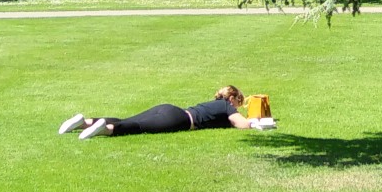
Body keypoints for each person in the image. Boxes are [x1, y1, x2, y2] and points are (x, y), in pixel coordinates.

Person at [58, 85, 275, 140]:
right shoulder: (226, 107)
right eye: (238, 102)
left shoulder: (212, 104)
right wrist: (256, 121)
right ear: (231, 99)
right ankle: (106, 129)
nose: (238, 107)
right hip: (180, 119)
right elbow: (242, 124)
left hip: (170, 108)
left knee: (130, 119)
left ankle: (85, 121)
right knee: (139, 128)